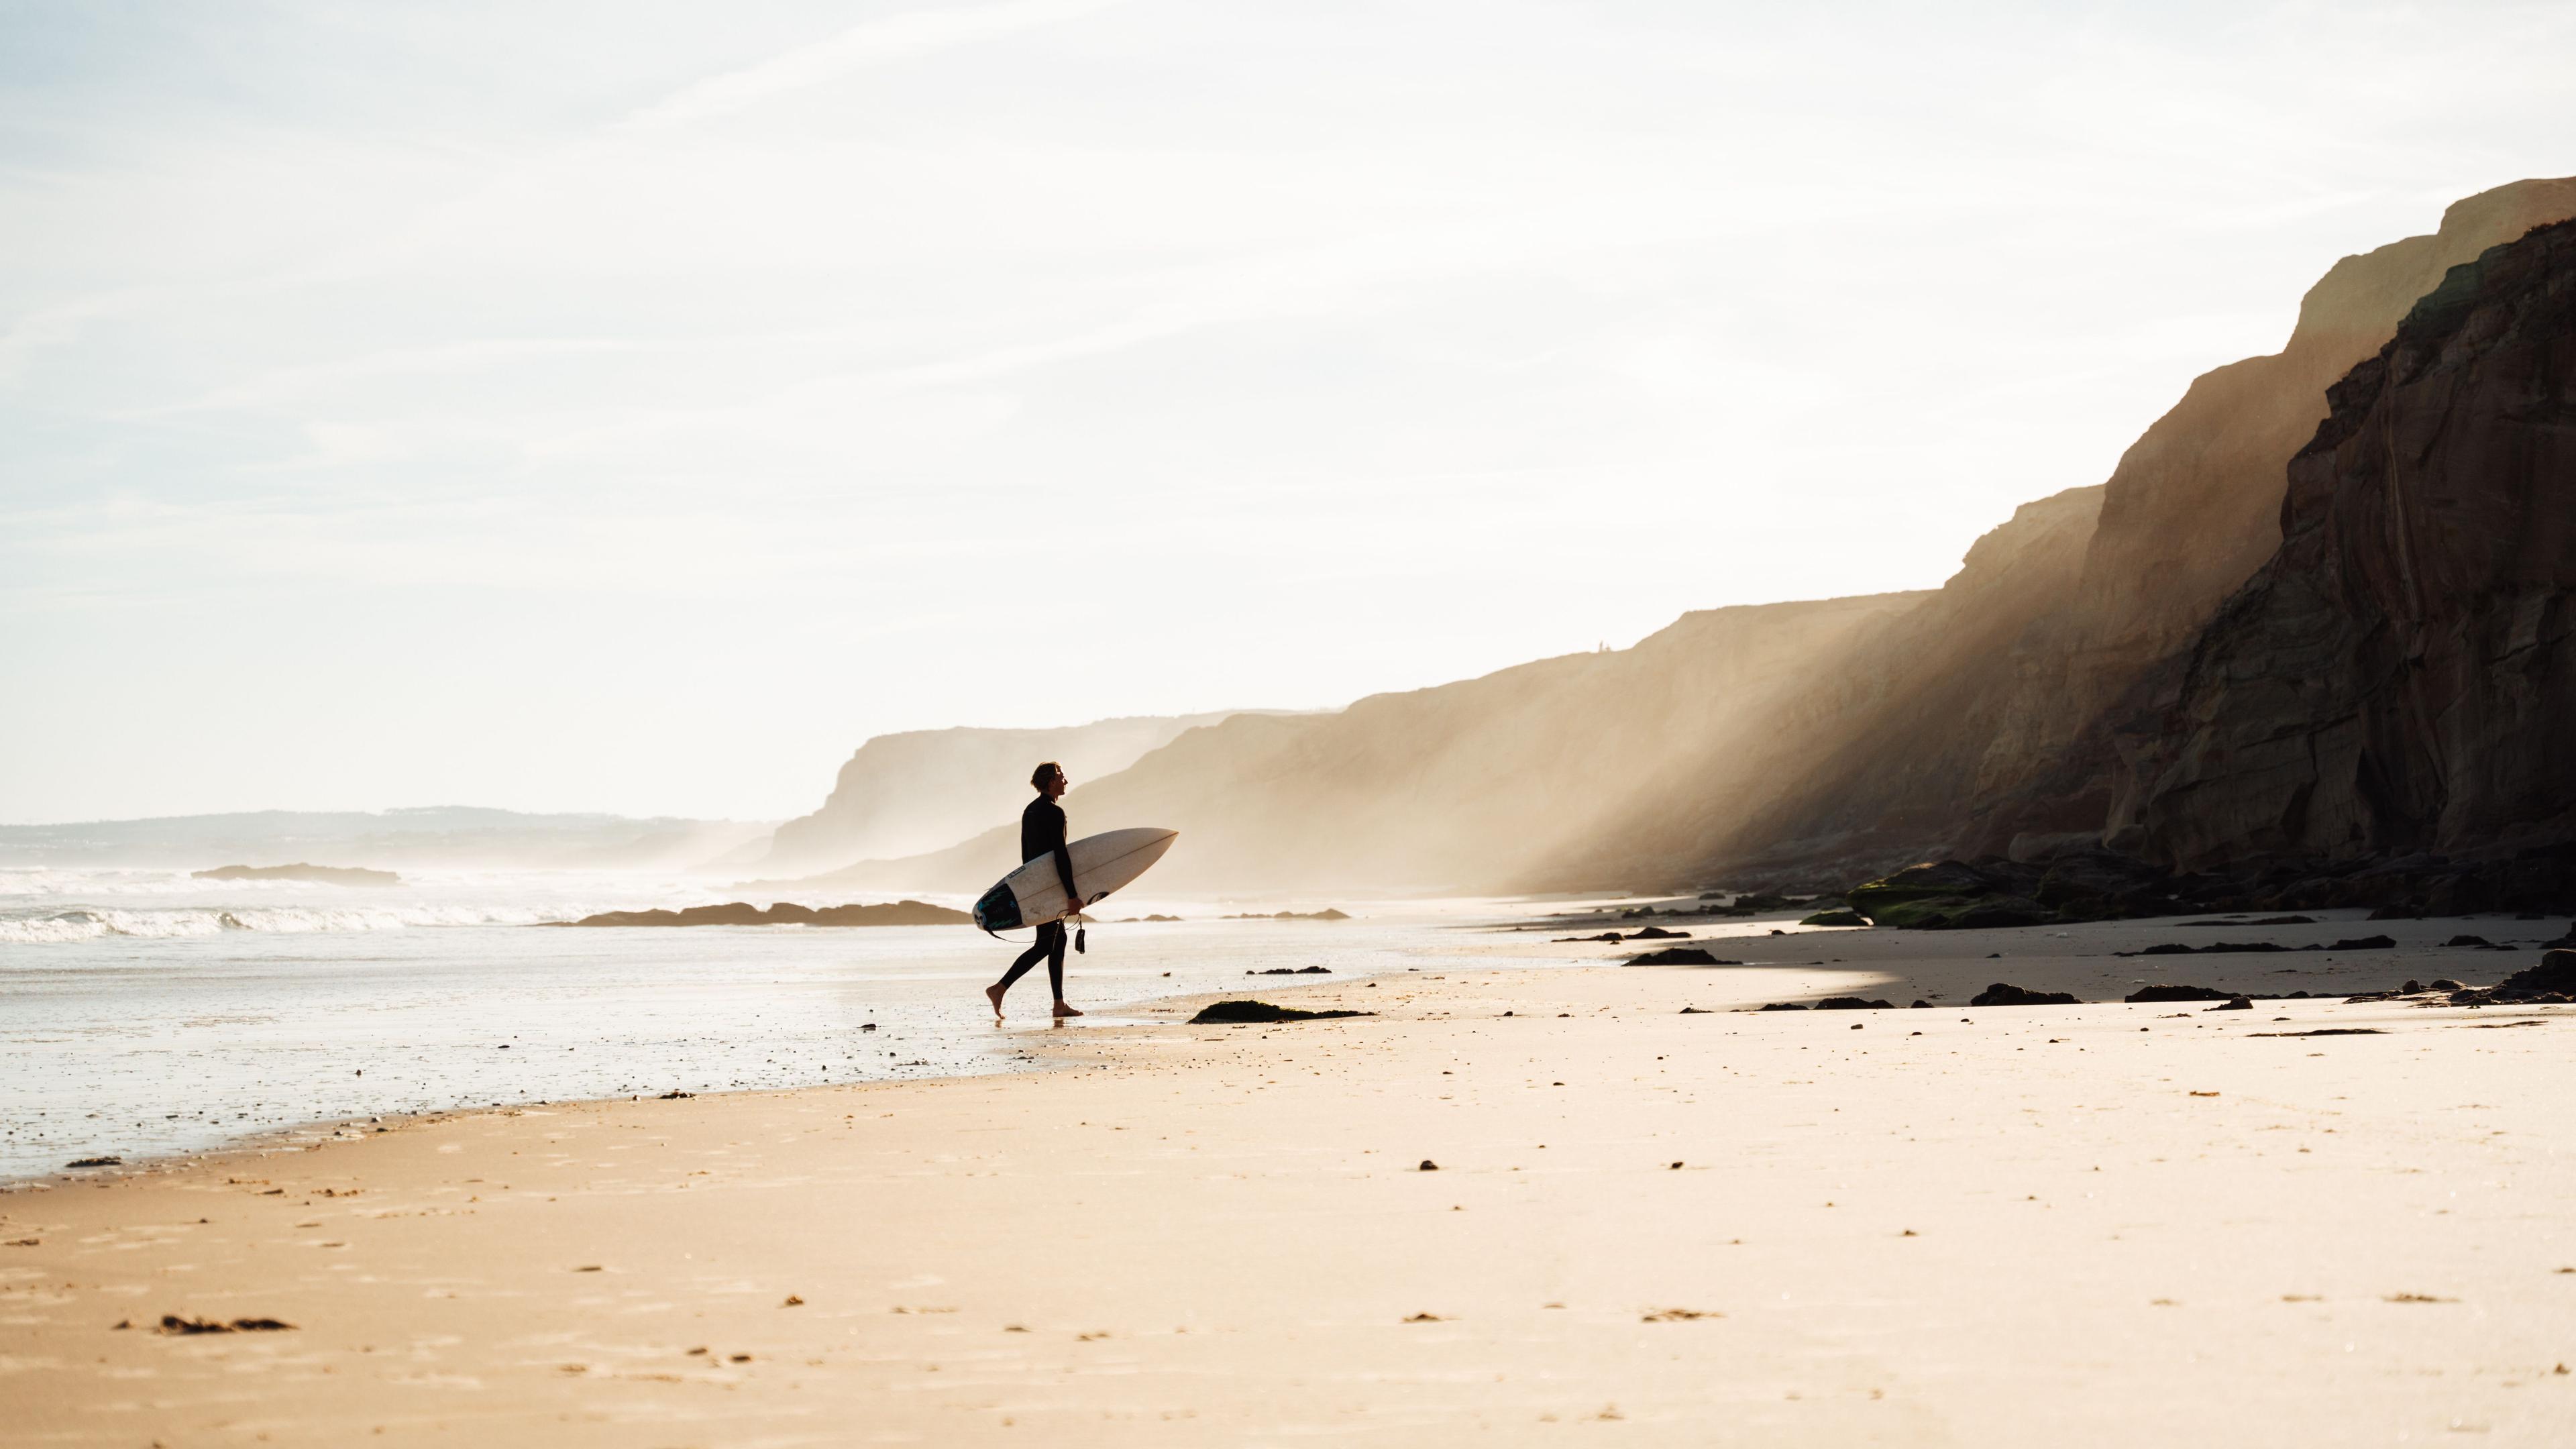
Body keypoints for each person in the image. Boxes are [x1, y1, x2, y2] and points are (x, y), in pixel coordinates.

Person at [985, 762, 1084, 1020]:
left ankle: (1059, 1004)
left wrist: (1028, 889)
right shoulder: (1054, 812)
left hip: (1036, 885)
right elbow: (1060, 856)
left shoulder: (1030, 811)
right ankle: (999, 988)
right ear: (1050, 781)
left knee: (1057, 940)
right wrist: (1072, 894)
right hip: (1051, 886)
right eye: (1061, 777)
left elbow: (1028, 856)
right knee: (1045, 945)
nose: (1066, 781)